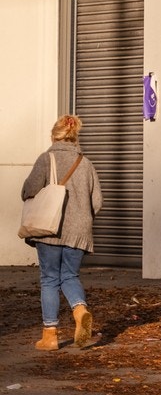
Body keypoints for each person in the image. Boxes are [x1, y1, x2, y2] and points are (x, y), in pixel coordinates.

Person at [21, 113, 102, 351]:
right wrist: (81, 218)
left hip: (50, 230)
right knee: (69, 276)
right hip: (79, 231)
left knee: (49, 280)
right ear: (74, 136)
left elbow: (29, 189)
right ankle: (79, 310)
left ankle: (50, 335)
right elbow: (97, 201)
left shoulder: (46, 159)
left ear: (54, 135)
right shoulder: (86, 163)